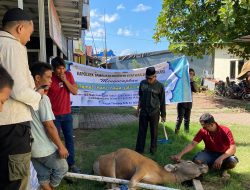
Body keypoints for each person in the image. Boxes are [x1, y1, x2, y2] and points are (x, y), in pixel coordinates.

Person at [0, 8, 43, 189]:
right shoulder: (13, 45)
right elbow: (18, 90)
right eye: (29, 33)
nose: (29, 39)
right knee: (15, 181)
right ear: (19, 28)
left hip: (5, 125)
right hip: (13, 126)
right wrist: (38, 96)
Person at [30, 62, 68, 190]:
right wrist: (61, 146)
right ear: (37, 78)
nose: (51, 80)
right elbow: (49, 126)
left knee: (43, 175)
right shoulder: (43, 99)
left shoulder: (27, 96)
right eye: (48, 77)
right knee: (63, 167)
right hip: (44, 149)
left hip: (31, 149)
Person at [171, 113, 238, 177]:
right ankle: (210, 167)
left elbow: (233, 148)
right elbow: (192, 144)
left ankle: (223, 170)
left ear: (212, 124)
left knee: (232, 161)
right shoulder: (203, 131)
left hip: (224, 154)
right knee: (197, 160)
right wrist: (180, 154)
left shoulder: (225, 130)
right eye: (202, 126)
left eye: (205, 126)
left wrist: (221, 158)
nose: (204, 128)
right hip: (209, 153)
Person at [47, 57, 80, 173]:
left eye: (63, 68)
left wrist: (65, 80)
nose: (61, 71)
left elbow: (75, 91)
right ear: (53, 69)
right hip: (53, 116)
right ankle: (56, 166)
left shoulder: (68, 75)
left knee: (69, 139)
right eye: (58, 69)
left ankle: (71, 164)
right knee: (54, 141)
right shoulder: (49, 77)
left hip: (67, 114)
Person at [135, 66, 166, 155]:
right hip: (144, 111)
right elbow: (140, 97)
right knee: (141, 131)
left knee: (154, 132)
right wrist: (137, 109)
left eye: (150, 78)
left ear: (155, 76)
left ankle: (153, 151)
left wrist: (163, 115)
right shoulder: (142, 83)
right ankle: (139, 150)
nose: (148, 80)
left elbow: (162, 101)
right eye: (147, 78)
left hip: (154, 112)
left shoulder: (160, 86)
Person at [175, 68, 197, 134]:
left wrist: (192, 81)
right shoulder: (182, 81)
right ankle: (176, 132)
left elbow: (195, 90)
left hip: (189, 103)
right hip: (182, 102)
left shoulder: (192, 82)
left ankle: (186, 133)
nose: (191, 75)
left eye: (193, 74)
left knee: (187, 119)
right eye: (190, 73)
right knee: (180, 119)